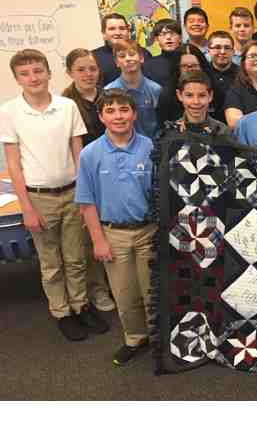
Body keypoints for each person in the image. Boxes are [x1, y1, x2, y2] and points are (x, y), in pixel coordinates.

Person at [0, 49, 108, 341]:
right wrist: (26, 208)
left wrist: (85, 197)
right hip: (38, 197)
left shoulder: (67, 106)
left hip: (72, 193)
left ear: (49, 73)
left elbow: (78, 154)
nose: (33, 78)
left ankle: (81, 305)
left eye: (38, 71)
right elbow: (14, 164)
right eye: (25, 74)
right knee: (51, 263)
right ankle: (62, 312)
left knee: (76, 257)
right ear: (17, 79)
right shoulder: (10, 112)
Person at [75, 89, 156, 366]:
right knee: (125, 293)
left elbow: (160, 194)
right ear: (101, 117)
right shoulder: (90, 154)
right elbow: (86, 203)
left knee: (152, 291)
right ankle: (135, 338)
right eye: (110, 111)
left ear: (134, 114)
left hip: (148, 232)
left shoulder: (150, 147)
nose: (118, 116)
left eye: (124, 109)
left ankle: (158, 338)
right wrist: (98, 241)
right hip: (113, 234)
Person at [61, 48, 115, 312]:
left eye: (92, 68)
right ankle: (98, 289)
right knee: (90, 235)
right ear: (70, 72)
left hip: (112, 174)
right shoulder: (65, 104)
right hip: (85, 175)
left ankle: (116, 284)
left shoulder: (109, 97)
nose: (88, 74)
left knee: (112, 233)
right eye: (81, 69)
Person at [104, 40, 162, 139]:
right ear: (117, 62)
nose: (128, 59)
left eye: (132, 54)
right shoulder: (108, 91)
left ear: (141, 58)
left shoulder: (155, 89)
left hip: (152, 145)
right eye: (122, 56)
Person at [156, 44, 211, 125]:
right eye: (184, 66)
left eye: (194, 65)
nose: (190, 70)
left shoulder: (213, 88)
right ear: (177, 68)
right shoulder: (167, 95)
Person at [92, 13, 151, 86]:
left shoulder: (143, 53)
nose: (117, 33)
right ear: (104, 34)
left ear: (128, 32)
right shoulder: (93, 58)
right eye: (112, 29)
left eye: (122, 28)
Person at [174, 70, 231, 136]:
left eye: (202, 95)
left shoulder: (222, 131)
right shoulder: (172, 132)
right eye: (189, 95)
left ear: (210, 96)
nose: (196, 102)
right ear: (179, 95)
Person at [207, 30, 239, 117]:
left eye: (227, 48)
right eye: (217, 47)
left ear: (233, 51)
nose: (222, 52)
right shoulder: (202, 73)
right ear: (209, 51)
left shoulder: (243, 75)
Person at [142, 18, 182, 86]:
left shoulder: (188, 61)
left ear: (180, 38)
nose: (168, 37)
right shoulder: (148, 66)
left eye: (172, 33)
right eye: (163, 34)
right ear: (156, 39)